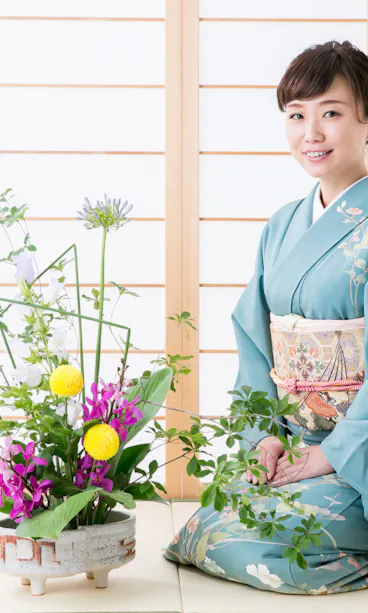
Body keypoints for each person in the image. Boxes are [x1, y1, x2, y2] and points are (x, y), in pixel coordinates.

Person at [163, 40, 368, 595]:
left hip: (354, 452)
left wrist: (330, 454)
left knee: (263, 542)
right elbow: (257, 344)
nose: (312, 133)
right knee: (204, 526)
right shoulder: (282, 225)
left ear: (366, 119)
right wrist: (263, 441)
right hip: (293, 446)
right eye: (296, 116)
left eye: (331, 113)